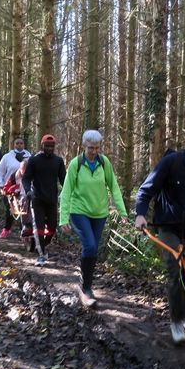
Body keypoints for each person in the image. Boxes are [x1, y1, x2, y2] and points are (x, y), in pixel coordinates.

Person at [134, 124, 185, 344]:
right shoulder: (171, 162)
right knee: (175, 269)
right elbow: (145, 190)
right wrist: (140, 215)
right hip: (168, 227)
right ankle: (176, 322)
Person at [59, 130, 127, 308]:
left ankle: (85, 283)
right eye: (91, 148)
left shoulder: (104, 163)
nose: (94, 151)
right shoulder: (76, 164)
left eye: (97, 148)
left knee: (93, 249)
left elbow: (114, 187)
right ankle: (86, 289)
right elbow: (66, 192)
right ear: (84, 146)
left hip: (99, 213)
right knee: (89, 246)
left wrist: (122, 211)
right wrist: (63, 218)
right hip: (79, 211)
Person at [23, 134, 67, 265]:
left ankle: (41, 244)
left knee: (52, 228)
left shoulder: (58, 161)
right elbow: (26, 178)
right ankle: (41, 255)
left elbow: (64, 180)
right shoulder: (34, 160)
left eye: (52, 146)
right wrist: (28, 191)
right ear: (42, 145)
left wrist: (70, 193)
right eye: (47, 146)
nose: (49, 148)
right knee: (39, 228)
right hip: (37, 199)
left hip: (52, 199)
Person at [0, 137, 31, 239]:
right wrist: (0, 184)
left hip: (25, 189)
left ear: (24, 145)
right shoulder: (7, 157)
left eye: (21, 143)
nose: (19, 145)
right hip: (10, 188)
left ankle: (24, 232)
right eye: (17, 143)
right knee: (10, 211)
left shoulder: (29, 156)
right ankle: (6, 229)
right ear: (13, 144)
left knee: (24, 212)